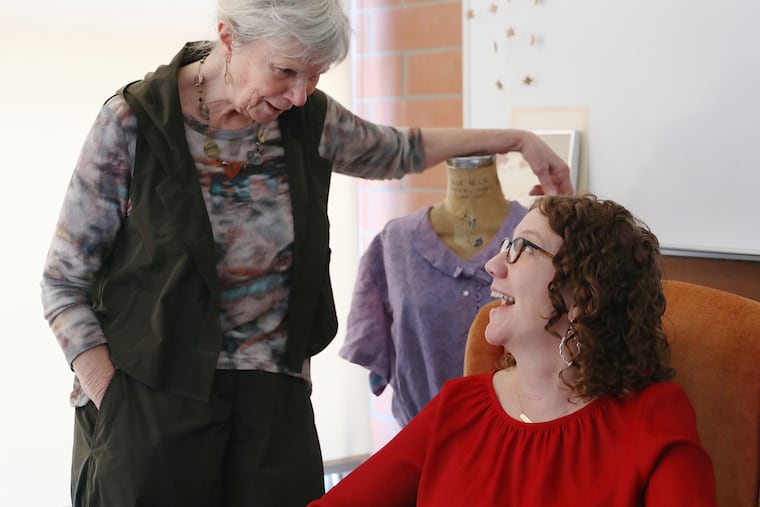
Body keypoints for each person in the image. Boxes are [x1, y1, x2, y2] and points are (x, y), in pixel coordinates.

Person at [40, 1, 571, 505]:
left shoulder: (305, 119)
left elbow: (397, 149)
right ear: (229, 38)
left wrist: (515, 139)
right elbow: (63, 284)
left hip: (272, 406)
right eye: (286, 71)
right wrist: (115, 402)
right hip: (150, 396)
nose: (300, 94)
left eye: (314, 76)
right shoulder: (134, 122)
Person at [309, 194, 717, 506]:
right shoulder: (458, 405)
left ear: (585, 296)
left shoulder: (652, 417)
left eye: (522, 249)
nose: (493, 265)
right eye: (506, 247)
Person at [340, 155, 530, 426]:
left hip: (518, 441)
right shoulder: (396, 241)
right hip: (424, 447)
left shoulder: (537, 241)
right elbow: (373, 351)